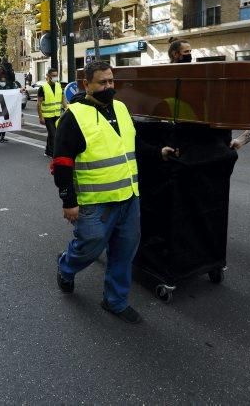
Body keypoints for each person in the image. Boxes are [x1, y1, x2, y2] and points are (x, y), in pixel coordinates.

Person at [53, 61, 178, 324]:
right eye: (102, 82)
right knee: (88, 248)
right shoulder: (73, 116)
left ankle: (115, 301)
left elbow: (133, 143)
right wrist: (68, 201)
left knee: (124, 254)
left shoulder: (121, 108)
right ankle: (66, 266)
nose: (109, 86)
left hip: (129, 198)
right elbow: (62, 162)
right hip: (95, 203)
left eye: (111, 81)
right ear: (87, 84)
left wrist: (158, 152)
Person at [36, 68, 66, 157]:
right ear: (48, 76)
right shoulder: (42, 88)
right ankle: (54, 154)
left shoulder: (59, 86)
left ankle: (48, 151)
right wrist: (40, 117)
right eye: (53, 76)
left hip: (57, 115)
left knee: (52, 134)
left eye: (56, 75)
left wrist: (68, 109)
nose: (55, 77)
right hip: (47, 116)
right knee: (54, 134)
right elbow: (38, 104)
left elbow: (63, 101)